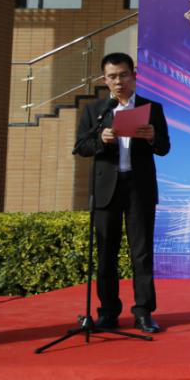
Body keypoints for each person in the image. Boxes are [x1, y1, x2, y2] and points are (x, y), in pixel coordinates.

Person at [73, 52, 171, 333]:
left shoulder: (152, 108)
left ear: (134, 76)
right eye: (113, 77)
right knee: (106, 254)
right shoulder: (96, 111)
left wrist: (152, 137)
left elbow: (164, 147)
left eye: (124, 75)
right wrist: (100, 139)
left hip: (139, 188)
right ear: (104, 80)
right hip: (107, 190)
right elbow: (80, 147)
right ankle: (108, 312)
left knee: (141, 253)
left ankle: (143, 312)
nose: (119, 81)